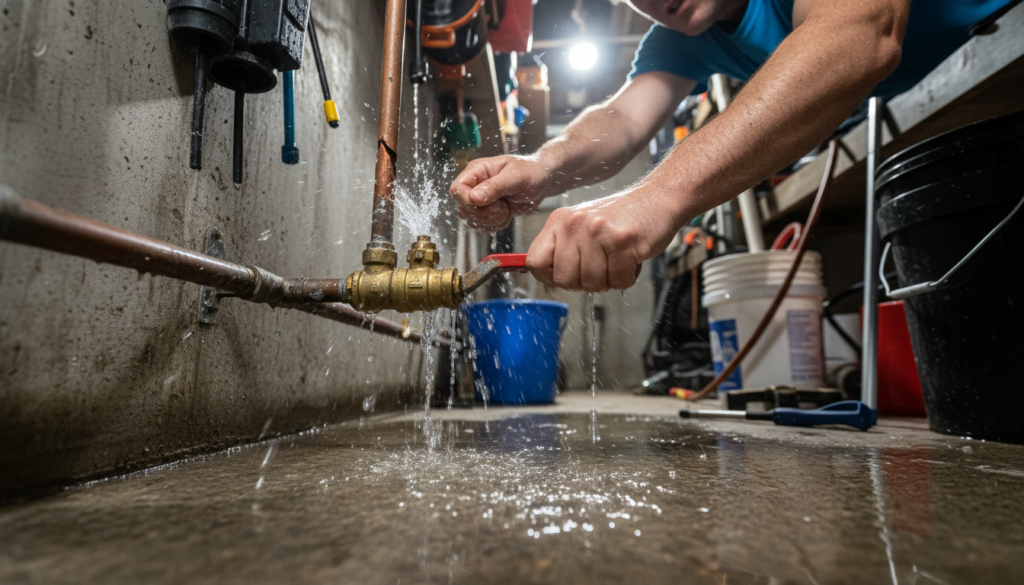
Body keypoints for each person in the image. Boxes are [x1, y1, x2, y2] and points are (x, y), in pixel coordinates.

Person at [448, 0, 1015, 292]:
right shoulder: (681, 39)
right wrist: (541, 165)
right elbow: (622, 116)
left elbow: (860, 31)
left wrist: (660, 195)